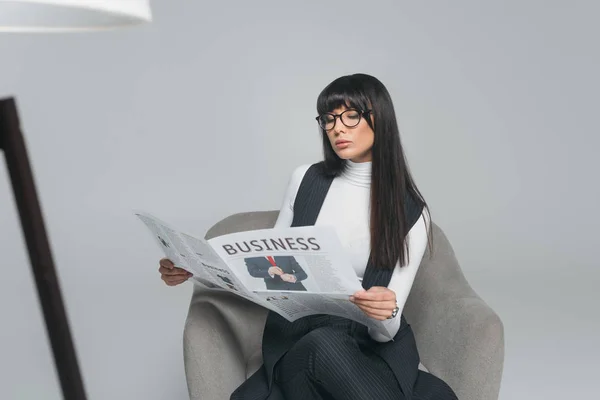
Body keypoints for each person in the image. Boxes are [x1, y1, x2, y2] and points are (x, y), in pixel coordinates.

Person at [158, 73, 458, 399]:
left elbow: (387, 332)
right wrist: (195, 270)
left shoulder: (411, 211)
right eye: (328, 119)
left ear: (380, 118)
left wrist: (384, 314)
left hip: (373, 347)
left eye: (351, 116)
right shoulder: (306, 180)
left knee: (336, 354)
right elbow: (263, 267)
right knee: (322, 344)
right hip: (301, 337)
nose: (337, 128)